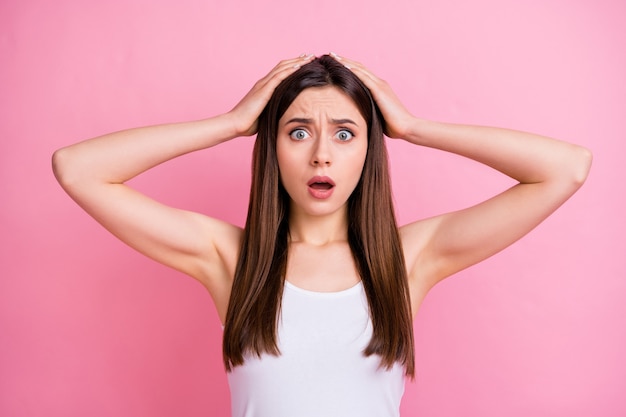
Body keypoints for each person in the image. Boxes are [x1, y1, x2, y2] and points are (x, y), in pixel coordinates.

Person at [52, 53, 592, 417]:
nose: (321, 153)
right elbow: (78, 168)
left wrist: (410, 127)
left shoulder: (408, 259)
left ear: (368, 151)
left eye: (345, 132)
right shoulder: (232, 259)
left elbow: (565, 168)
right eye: (298, 131)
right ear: (273, 147)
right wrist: (234, 122)